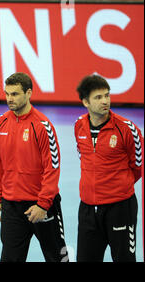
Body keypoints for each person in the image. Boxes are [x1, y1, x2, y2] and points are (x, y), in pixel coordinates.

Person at [0, 72, 68, 262]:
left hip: (41, 206)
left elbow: (52, 167)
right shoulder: (0, 123)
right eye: (7, 94)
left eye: (15, 94)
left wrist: (43, 204)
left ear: (28, 93)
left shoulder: (43, 126)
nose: (10, 99)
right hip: (12, 207)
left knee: (58, 259)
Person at [74, 74, 143, 262]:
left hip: (120, 208)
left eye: (107, 95)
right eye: (98, 97)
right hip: (88, 208)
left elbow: (138, 165)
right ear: (85, 102)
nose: (105, 101)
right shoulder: (78, 126)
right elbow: (84, 158)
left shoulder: (127, 128)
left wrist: (119, 184)